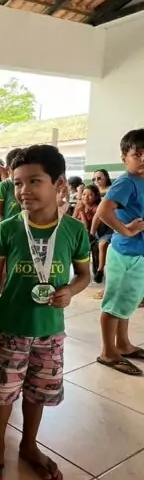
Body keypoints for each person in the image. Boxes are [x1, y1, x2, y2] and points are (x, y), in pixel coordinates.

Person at [0, 145, 91, 480]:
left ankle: (28, 445)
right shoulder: (9, 229)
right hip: (12, 328)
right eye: (17, 183)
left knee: (37, 391)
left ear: (58, 184)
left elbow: (84, 275)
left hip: (50, 331)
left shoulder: (74, 231)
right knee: (3, 392)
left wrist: (71, 291)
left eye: (34, 181)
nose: (24, 190)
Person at [96, 129, 144, 376]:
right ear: (125, 157)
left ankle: (123, 344)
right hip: (126, 253)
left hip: (138, 254)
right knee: (115, 303)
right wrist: (125, 230)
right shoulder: (127, 181)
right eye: (138, 154)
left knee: (127, 301)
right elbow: (104, 211)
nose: (143, 159)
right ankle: (108, 351)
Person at [91, 169, 113, 284]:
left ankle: (100, 271)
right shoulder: (92, 192)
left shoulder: (111, 190)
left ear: (106, 178)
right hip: (97, 226)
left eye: (99, 178)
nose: (96, 181)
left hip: (110, 224)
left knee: (102, 244)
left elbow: (102, 211)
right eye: (94, 179)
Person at [0, 147, 22, 228]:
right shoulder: (3, 186)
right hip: (8, 229)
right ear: (7, 169)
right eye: (15, 168)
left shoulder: (26, 185)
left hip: (24, 228)